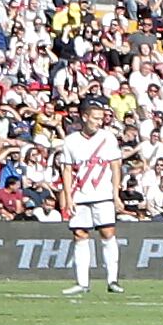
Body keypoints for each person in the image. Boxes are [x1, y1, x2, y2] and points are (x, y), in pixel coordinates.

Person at [58, 99, 126, 294]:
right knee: (79, 235)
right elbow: (67, 170)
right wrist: (68, 198)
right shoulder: (71, 141)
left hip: (103, 194)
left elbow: (115, 166)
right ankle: (82, 283)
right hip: (79, 195)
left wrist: (116, 194)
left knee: (107, 233)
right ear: (84, 117)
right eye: (95, 118)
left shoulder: (108, 138)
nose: (99, 122)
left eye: (101, 118)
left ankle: (112, 280)